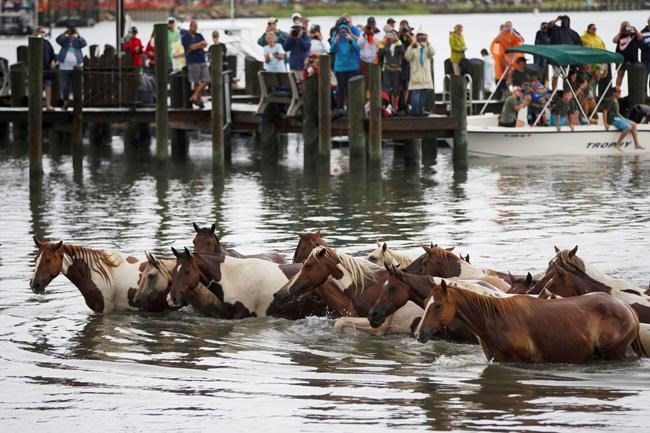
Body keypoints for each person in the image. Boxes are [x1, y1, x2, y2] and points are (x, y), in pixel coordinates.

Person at [330, 23, 360, 111]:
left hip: (351, 68)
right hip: (340, 68)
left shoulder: (350, 39)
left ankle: (351, 107)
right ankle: (340, 107)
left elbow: (356, 48)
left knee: (351, 89)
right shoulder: (336, 39)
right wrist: (336, 42)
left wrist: (350, 40)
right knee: (340, 89)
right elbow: (332, 50)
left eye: (345, 31)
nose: (343, 33)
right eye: (341, 32)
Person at [547, 15, 582, 90]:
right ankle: (554, 92)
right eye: (564, 21)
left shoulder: (573, 33)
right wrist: (557, 19)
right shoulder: (556, 29)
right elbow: (549, 25)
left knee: (565, 77)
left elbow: (579, 45)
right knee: (556, 76)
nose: (565, 22)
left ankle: (566, 92)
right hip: (556, 58)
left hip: (567, 59)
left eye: (567, 21)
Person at [55, 26, 86, 111]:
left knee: (77, 86)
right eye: (70, 34)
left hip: (76, 68)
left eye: (73, 34)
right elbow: (57, 40)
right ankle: (65, 103)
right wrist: (65, 33)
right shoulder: (65, 41)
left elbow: (84, 43)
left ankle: (77, 103)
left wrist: (78, 35)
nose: (71, 36)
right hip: (64, 67)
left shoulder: (78, 41)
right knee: (65, 86)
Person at [405, 29, 434, 116]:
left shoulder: (427, 47)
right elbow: (407, 57)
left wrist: (428, 42)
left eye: (423, 36)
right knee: (416, 95)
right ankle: (415, 112)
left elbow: (432, 53)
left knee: (423, 95)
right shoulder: (413, 47)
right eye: (419, 36)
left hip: (425, 76)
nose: (421, 38)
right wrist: (412, 45)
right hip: (416, 75)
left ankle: (421, 111)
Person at [181, 20, 209, 108]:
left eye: (196, 27)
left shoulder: (199, 35)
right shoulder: (185, 37)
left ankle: (195, 95)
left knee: (207, 80)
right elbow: (191, 47)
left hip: (202, 60)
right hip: (192, 61)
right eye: (194, 27)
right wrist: (200, 44)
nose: (195, 29)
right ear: (190, 26)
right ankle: (199, 101)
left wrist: (197, 45)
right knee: (196, 82)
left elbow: (205, 43)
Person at [379, 30, 404, 116]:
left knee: (396, 89)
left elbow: (402, 51)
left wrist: (398, 40)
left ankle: (395, 107)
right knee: (386, 88)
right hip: (387, 69)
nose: (392, 37)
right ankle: (385, 105)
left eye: (394, 35)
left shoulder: (399, 45)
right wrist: (383, 42)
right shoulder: (386, 45)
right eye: (391, 35)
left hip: (397, 69)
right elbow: (380, 53)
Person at [613, 21, 643, 88]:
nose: (627, 29)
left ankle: (634, 91)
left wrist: (635, 30)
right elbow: (614, 40)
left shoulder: (634, 35)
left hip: (633, 58)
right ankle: (617, 89)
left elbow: (641, 37)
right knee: (620, 75)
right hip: (622, 58)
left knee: (634, 76)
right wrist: (620, 32)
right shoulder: (621, 35)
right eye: (625, 27)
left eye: (627, 27)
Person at [35, 27, 56, 111]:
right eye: (40, 32)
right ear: (36, 33)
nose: (42, 33)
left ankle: (48, 105)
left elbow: (53, 54)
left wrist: (53, 61)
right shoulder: (33, 42)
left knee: (48, 87)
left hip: (47, 69)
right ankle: (37, 106)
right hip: (37, 70)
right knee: (38, 88)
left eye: (43, 32)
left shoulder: (47, 43)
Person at [358, 17, 380, 94]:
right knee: (365, 84)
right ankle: (365, 99)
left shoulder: (379, 33)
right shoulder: (363, 33)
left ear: (375, 24)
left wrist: (373, 35)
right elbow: (359, 45)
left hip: (375, 62)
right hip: (364, 62)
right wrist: (364, 35)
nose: (371, 27)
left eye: (373, 25)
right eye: (370, 25)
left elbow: (379, 45)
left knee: (374, 83)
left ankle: (374, 99)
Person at [641, 17, 650, 82]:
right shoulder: (642, 32)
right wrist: (648, 45)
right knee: (644, 79)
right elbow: (639, 45)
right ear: (648, 22)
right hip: (646, 59)